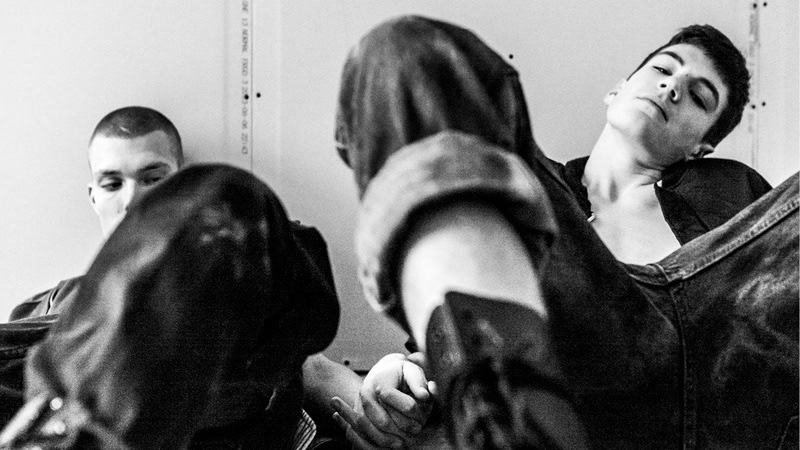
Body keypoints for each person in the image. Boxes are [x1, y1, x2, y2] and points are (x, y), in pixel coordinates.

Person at [330, 16, 797, 449]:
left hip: (724, 377)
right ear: (617, 91)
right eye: (663, 69)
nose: (672, 87)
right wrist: (405, 369)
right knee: (409, 51)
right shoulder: (526, 192)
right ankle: (504, 411)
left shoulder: (734, 190)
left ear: (703, 147)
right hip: (571, 385)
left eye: (699, 96)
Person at [1, 106, 429, 449]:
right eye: (112, 184)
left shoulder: (228, 281)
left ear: (181, 187)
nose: (132, 201)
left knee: (233, 203)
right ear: (93, 197)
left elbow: (311, 371)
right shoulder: (48, 304)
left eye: (154, 179)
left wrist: (382, 394)